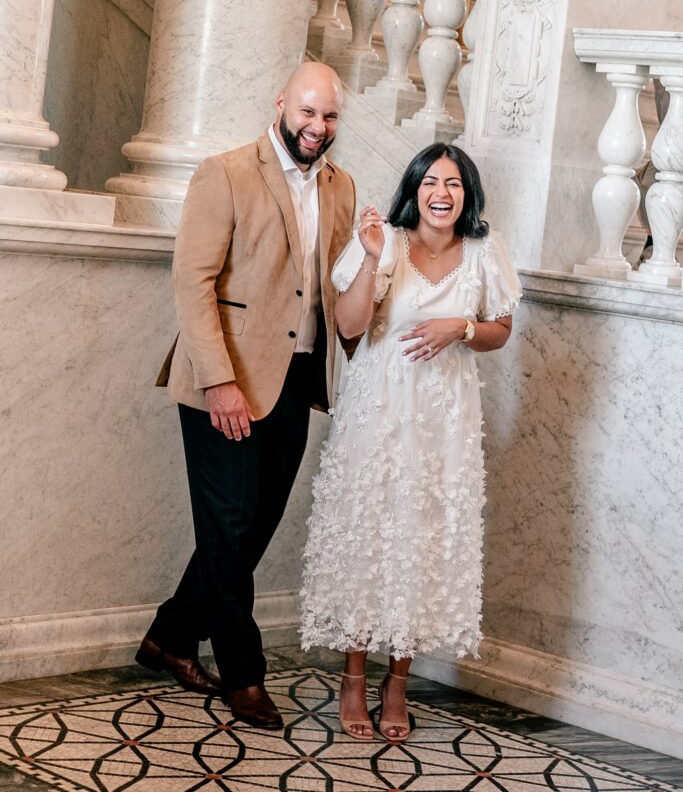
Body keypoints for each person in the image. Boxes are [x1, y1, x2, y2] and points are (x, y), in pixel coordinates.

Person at [137, 62, 355, 730]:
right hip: (221, 379)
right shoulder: (225, 172)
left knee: (251, 529)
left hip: (294, 380)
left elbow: (335, 289)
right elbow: (191, 283)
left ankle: (170, 637)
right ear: (281, 103)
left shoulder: (342, 187)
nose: (317, 128)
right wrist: (219, 382)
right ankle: (244, 675)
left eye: (329, 117)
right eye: (308, 113)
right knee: (228, 529)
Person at [300, 143, 522, 743]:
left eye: (453, 183)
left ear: (467, 193)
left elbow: (500, 329)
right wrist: (373, 260)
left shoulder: (484, 252)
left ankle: (398, 683)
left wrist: (462, 327)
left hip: (444, 423)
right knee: (369, 535)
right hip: (378, 413)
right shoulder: (384, 241)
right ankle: (352, 677)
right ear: (414, 189)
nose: (441, 193)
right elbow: (348, 326)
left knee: (421, 542)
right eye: (430, 182)